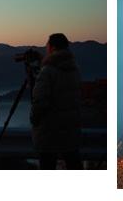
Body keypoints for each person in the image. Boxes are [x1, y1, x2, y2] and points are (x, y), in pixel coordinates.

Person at [30, 33, 83, 170]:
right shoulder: (74, 69)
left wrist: (34, 119)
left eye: (47, 45)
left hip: (50, 129)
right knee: (73, 163)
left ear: (52, 47)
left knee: (48, 164)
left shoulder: (48, 71)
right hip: (71, 126)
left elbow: (40, 101)